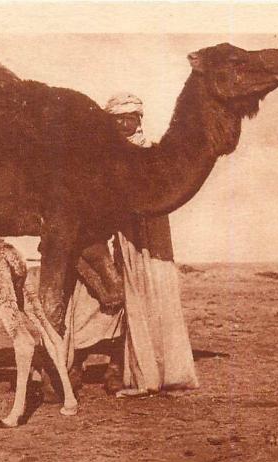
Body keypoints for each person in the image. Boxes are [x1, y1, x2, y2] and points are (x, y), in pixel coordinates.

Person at [64, 92, 198, 396]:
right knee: (89, 297)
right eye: (119, 118)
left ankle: (119, 366)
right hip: (100, 234)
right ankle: (75, 363)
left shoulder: (151, 153)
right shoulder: (97, 155)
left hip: (140, 236)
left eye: (131, 117)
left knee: (138, 298)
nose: (126, 123)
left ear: (139, 119)